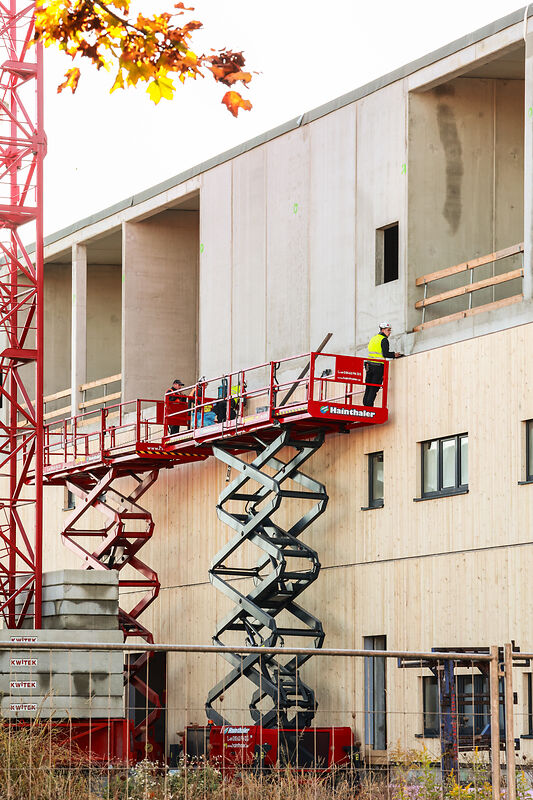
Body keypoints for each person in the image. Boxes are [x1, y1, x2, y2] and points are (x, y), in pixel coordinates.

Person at [362, 323, 402, 407]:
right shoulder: (383, 340)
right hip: (378, 367)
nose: (389, 332)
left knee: (368, 386)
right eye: (388, 330)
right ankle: (369, 407)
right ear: (382, 330)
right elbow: (385, 354)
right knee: (374, 387)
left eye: (390, 330)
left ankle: (365, 406)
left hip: (369, 366)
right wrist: (394, 355)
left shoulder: (373, 338)